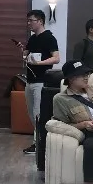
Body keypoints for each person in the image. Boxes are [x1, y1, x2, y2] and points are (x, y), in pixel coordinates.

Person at [17, 10, 60, 155]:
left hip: (41, 81)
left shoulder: (49, 38)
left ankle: (39, 144)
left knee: (38, 113)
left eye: (31, 20)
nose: (29, 23)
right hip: (30, 80)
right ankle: (40, 141)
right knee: (31, 113)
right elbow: (26, 55)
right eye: (28, 21)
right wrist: (23, 53)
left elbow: (56, 58)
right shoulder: (32, 38)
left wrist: (40, 63)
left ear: (40, 21)